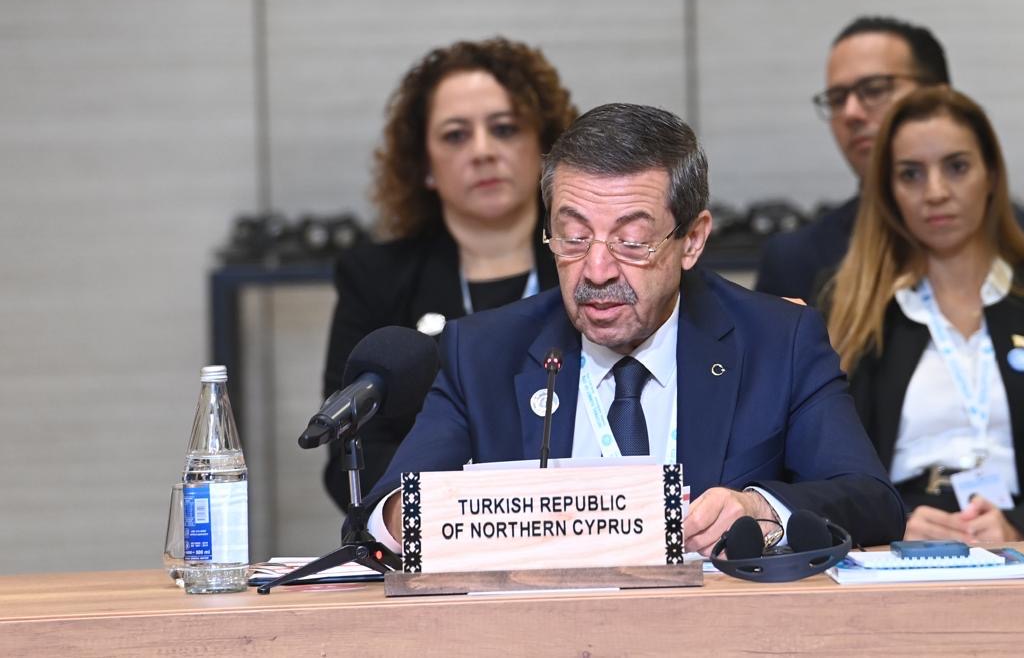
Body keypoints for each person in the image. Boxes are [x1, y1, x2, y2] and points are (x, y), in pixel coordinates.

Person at [361, 103, 906, 555]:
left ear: (692, 240)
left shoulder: (776, 341)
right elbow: (381, 516)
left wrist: (759, 509)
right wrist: (473, 516)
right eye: (573, 238)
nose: (597, 270)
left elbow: (871, 500)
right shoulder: (484, 352)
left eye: (632, 242)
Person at [820, 86, 1024, 542]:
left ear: (992, 176)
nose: (936, 192)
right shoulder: (847, 307)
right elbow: (817, 476)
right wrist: (891, 525)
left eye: (957, 167)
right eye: (911, 174)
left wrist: (1019, 527)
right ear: (889, 191)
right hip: (897, 543)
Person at [320, 37, 577, 509]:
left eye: (504, 128)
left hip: (580, 517)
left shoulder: (591, 264)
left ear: (545, 148)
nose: (482, 151)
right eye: (456, 135)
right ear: (425, 165)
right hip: (438, 530)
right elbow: (355, 449)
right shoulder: (375, 278)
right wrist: (455, 511)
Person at [754, 16, 1024, 301]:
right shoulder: (795, 262)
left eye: (875, 89)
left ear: (939, 96)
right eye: (837, 98)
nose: (851, 113)